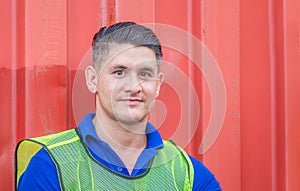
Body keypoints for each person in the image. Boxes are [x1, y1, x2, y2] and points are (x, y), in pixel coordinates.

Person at [15, 22, 222, 191]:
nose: (133, 87)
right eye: (119, 72)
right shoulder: (50, 165)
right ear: (92, 79)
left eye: (145, 74)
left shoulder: (186, 172)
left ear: (158, 85)